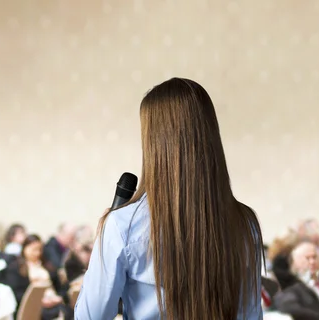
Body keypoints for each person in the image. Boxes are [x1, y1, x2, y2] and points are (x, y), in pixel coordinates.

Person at [74, 78, 264, 319]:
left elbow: (92, 317)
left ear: (153, 143)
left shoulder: (123, 226)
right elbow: (250, 314)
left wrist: (99, 260)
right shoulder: (244, 223)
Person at [5, 234, 72, 320]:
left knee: (68, 311)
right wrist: (39, 301)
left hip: (53, 301)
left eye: (39, 250)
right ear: (24, 249)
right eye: (33, 250)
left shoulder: (48, 266)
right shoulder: (16, 268)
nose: (36, 253)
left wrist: (58, 297)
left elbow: (61, 287)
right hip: (33, 305)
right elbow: (17, 293)